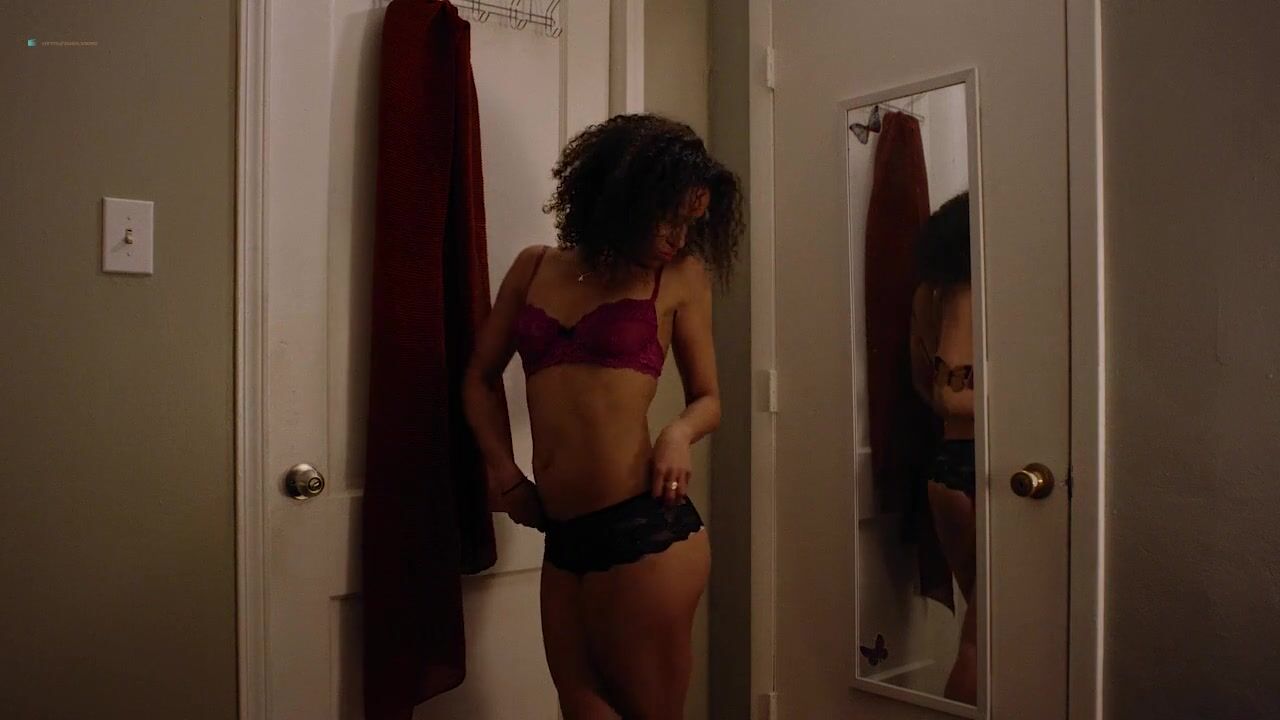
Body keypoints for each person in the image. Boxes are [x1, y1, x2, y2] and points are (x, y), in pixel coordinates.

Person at [463, 113, 744, 719]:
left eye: (690, 223)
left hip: (645, 529)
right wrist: (505, 475)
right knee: (579, 706)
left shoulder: (679, 278)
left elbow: (709, 399)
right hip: (563, 539)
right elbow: (479, 379)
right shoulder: (533, 267)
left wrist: (678, 433)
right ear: (621, 196)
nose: (677, 238)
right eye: (667, 217)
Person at [909, 192, 977, 704]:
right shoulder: (1004, 287)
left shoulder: (928, 297)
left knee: (982, 630)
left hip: (946, 470)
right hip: (991, 467)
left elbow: (929, 389)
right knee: (989, 637)